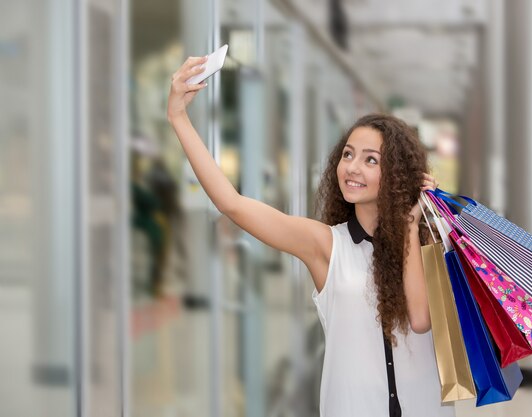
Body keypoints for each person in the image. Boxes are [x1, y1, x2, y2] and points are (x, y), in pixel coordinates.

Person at [167, 56, 455, 417]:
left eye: (370, 160)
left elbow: (420, 319)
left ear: (398, 173)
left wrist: (415, 223)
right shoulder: (325, 245)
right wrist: (179, 118)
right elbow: (233, 204)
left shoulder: (432, 241)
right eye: (347, 154)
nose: (351, 167)